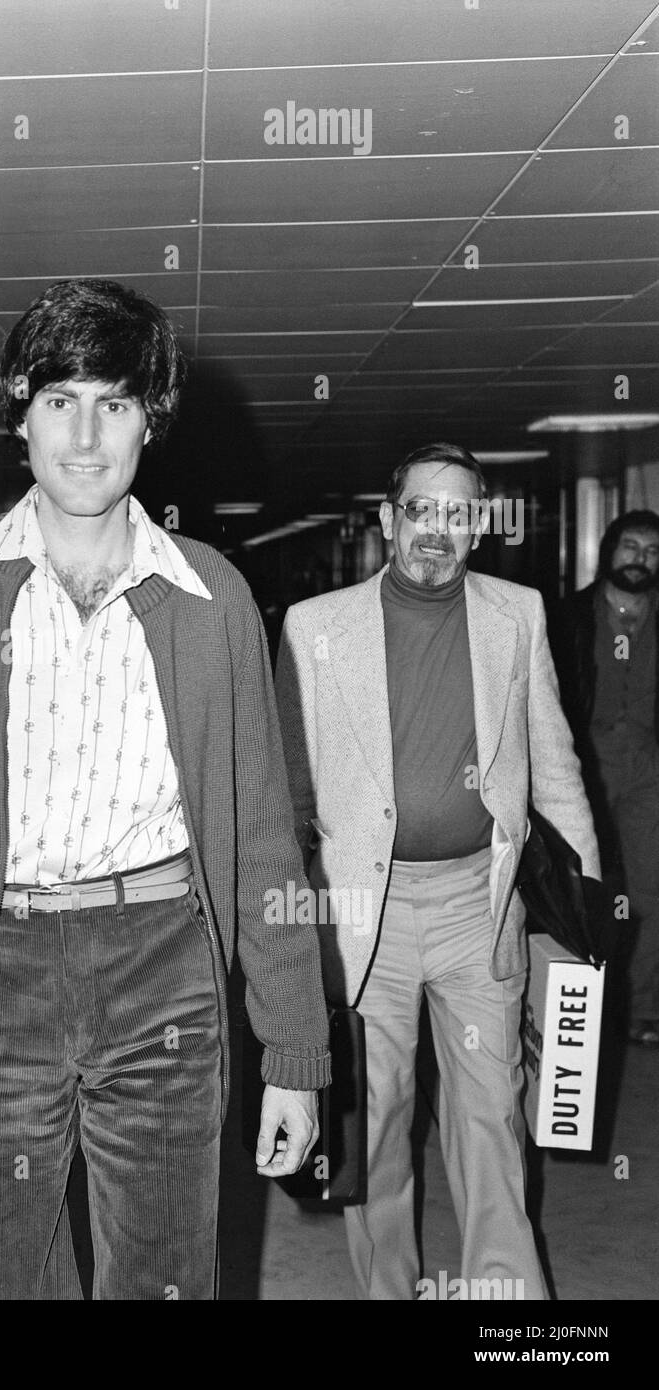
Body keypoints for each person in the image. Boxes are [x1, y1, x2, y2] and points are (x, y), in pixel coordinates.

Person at [0, 278, 331, 1300]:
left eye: (115, 404)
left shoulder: (210, 597)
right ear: (19, 411)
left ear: (148, 421)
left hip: (162, 957)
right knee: (2, 1274)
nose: (85, 436)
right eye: (59, 401)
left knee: (169, 1275)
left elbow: (263, 842)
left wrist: (293, 1048)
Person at [274, 443, 599, 1301]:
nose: (437, 530)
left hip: (473, 904)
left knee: (491, 1113)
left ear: (479, 528)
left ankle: (509, 1304)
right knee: (372, 1123)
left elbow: (553, 762)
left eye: (458, 513)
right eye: (421, 509)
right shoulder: (315, 628)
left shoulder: (517, 614)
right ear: (388, 520)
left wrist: (588, 910)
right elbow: (290, 794)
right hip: (359, 918)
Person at [551, 510, 659, 1047]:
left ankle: (640, 1009)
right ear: (608, 551)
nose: (639, 558)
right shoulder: (570, 615)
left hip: (647, 768)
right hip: (583, 763)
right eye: (630, 546)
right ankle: (578, 1006)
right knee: (582, 887)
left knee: (648, 888)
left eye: (652, 550)